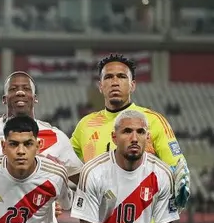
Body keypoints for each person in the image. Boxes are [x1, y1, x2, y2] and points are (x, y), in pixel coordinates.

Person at [72, 110, 179, 223]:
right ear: (114, 137)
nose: (134, 138)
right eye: (127, 131)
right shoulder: (94, 172)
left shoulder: (161, 174)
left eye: (140, 132)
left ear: (148, 137)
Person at [70, 54, 189, 209]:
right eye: (108, 77)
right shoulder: (85, 125)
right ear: (100, 86)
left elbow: (178, 168)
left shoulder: (153, 121)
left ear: (132, 85)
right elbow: (65, 163)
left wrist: (179, 191)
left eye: (121, 77)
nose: (114, 82)